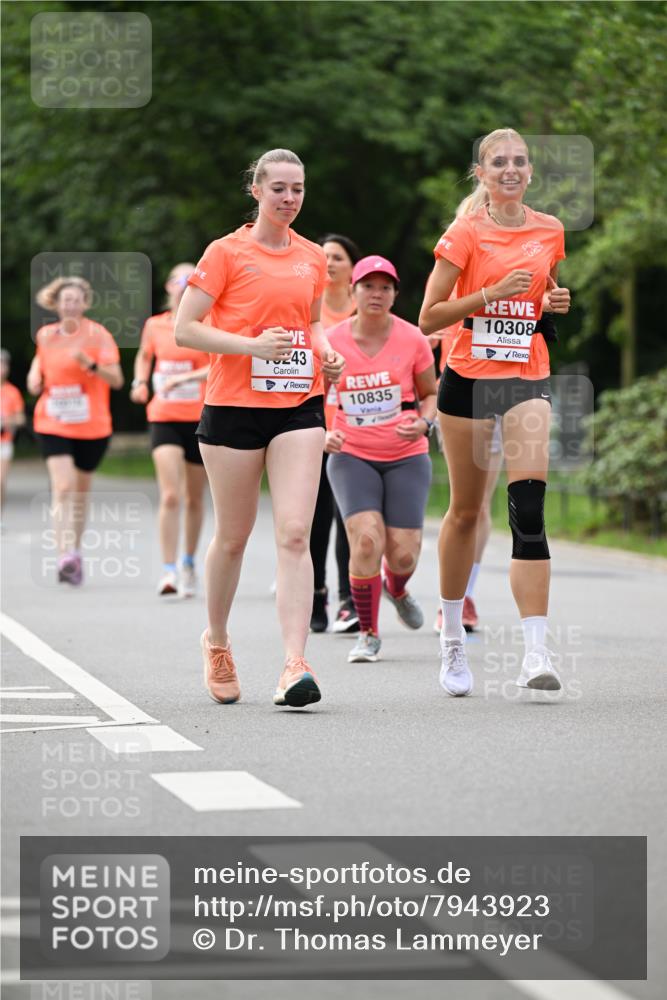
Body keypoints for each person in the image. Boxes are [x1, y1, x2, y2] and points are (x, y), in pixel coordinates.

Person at [175, 148, 344, 709]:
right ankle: (217, 641)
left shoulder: (313, 257)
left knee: (295, 532)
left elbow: (312, 322)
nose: (289, 198)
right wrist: (249, 346)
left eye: (297, 189)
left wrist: (325, 351)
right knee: (234, 536)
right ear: (256, 190)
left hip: (299, 404)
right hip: (233, 407)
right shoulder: (225, 252)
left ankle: (295, 664)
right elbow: (185, 329)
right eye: (278, 189)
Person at [419, 127, 571, 696]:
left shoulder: (549, 229)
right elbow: (429, 316)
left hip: (526, 377)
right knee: (464, 513)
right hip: (468, 381)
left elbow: (542, 295)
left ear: (530, 172)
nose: (510, 169)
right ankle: (451, 636)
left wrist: (553, 301)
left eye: (519, 161)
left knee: (528, 509)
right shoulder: (465, 232)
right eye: (498, 162)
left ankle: (536, 653)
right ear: (481, 174)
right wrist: (489, 294)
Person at [326, 255, 437, 663]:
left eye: (385, 287)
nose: (376, 294)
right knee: (367, 539)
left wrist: (424, 423)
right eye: (368, 286)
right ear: (352, 291)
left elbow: (430, 394)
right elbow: (311, 395)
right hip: (351, 454)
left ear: (394, 294)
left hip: (406, 454)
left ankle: (398, 588)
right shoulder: (331, 341)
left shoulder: (413, 338)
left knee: (404, 553)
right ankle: (368, 633)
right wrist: (323, 431)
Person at [27, 276, 124, 585]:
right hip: (53, 422)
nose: (70, 305)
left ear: (85, 303)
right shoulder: (46, 335)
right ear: (56, 304)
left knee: (80, 492)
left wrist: (90, 364)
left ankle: (76, 550)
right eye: (65, 300)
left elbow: (117, 380)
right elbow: (39, 364)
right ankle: (63, 556)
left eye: (75, 300)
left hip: (92, 426)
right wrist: (33, 378)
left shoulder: (99, 335)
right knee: (63, 487)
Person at [131, 263, 210, 598]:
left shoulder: (206, 324)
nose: (185, 284)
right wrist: (139, 382)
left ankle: (188, 561)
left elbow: (219, 365)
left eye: (192, 279)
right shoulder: (155, 325)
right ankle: (168, 570)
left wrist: (185, 378)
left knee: (194, 497)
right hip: (163, 416)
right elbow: (143, 356)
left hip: (201, 419)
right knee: (170, 495)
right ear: (168, 286)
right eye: (180, 279)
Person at [429, 318, 503, 634]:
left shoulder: (517, 285)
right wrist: (427, 340)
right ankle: (450, 600)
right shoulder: (452, 287)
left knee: (482, 505)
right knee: (462, 507)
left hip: (504, 388)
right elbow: (428, 320)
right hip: (460, 392)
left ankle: (466, 595)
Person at [309, 233, 361, 634]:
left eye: (337, 257)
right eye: (323, 256)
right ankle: (316, 594)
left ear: (352, 267)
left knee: (349, 516)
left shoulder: (368, 308)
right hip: (313, 421)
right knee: (316, 516)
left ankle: (349, 599)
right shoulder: (309, 309)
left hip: (357, 423)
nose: (328, 262)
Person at [0, 348, 26, 512]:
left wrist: (6, 421)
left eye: (3, 364)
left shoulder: (12, 392)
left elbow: (21, 419)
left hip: (4, 442)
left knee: (0, 481)